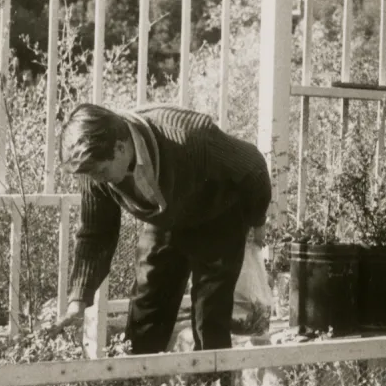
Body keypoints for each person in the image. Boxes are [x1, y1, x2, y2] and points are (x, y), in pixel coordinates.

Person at [54, 102, 272, 355]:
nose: (97, 181)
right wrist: (79, 299)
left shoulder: (190, 135)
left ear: (120, 147)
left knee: (210, 316)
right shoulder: (95, 165)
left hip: (218, 215)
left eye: (101, 172)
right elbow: (96, 233)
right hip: (167, 217)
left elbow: (252, 164)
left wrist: (257, 221)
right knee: (146, 308)